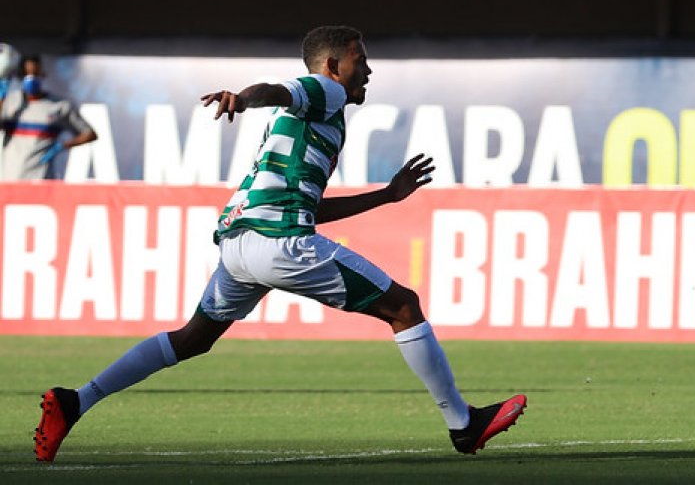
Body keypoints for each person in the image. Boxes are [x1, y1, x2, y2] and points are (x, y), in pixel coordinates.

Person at [35, 25, 526, 462]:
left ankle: (77, 400)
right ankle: (463, 424)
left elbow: (310, 204)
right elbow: (276, 90)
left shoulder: (317, 121)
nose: (369, 70)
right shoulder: (325, 92)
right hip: (279, 244)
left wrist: (387, 196)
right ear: (334, 65)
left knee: (192, 338)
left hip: (240, 245)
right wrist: (241, 99)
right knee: (404, 307)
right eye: (361, 58)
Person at [1, 54, 98, 181]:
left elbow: (90, 134)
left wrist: (61, 146)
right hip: (8, 178)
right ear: (20, 77)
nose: (31, 79)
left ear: (43, 75)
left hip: (40, 178)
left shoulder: (59, 106)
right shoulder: (10, 102)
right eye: (27, 74)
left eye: (35, 74)